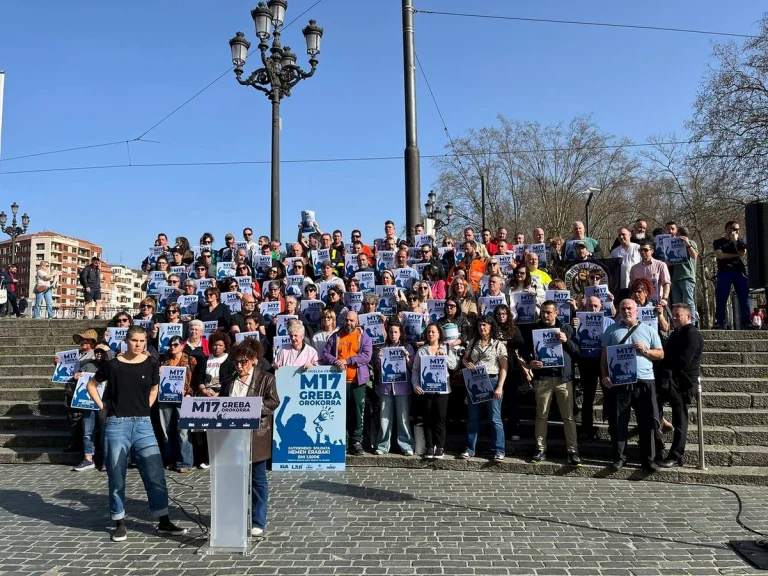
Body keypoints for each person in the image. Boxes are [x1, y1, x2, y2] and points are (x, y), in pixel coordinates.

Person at [86, 325, 187, 542]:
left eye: (142, 341)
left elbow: (154, 389)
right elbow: (92, 385)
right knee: (116, 474)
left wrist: (145, 408)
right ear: (127, 341)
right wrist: (102, 408)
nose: (139, 345)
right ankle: (119, 521)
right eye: (135, 341)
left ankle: (163, 520)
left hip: (143, 424)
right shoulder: (112, 365)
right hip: (116, 424)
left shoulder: (151, 362)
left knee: (155, 473)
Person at [218, 338, 280, 538]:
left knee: (258, 479)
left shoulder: (266, 378)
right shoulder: (230, 378)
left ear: (253, 360)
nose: (239, 366)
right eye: (236, 362)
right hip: (231, 436)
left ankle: (258, 521)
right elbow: (223, 401)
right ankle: (233, 517)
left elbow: (273, 402)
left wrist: (252, 409)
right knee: (234, 479)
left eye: (243, 362)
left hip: (256, 435)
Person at [601, 299, 664, 472]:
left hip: (644, 381)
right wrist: (605, 375)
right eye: (623, 308)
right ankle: (619, 458)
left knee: (647, 421)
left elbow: (660, 354)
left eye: (629, 308)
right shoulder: (611, 330)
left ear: (636, 310)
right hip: (620, 382)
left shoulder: (649, 330)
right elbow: (604, 356)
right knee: (618, 421)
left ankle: (648, 459)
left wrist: (645, 350)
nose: (626, 311)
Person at [526, 301, 581, 465]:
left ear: (556, 312)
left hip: (563, 379)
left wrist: (566, 341)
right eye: (543, 312)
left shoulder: (566, 328)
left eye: (549, 312)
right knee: (541, 415)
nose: (545, 315)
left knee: (568, 417)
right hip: (542, 378)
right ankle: (540, 449)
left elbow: (577, 351)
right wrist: (530, 361)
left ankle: (573, 451)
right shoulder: (534, 329)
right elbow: (525, 350)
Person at [656, 304, 703, 468]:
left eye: (678, 315)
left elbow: (684, 360)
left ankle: (676, 455)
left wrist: (667, 366)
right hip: (671, 380)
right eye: (673, 315)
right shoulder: (677, 333)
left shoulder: (692, 334)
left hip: (683, 382)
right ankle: (658, 446)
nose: (674, 318)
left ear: (688, 317)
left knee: (680, 420)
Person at [321, 311, 373, 456]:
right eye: (346, 320)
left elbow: (366, 356)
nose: (348, 323)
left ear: (357, 321)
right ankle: (342, 440)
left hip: (357, 382)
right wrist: (335, 361)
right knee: (340, 413)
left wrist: (348, 361)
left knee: (357, 413)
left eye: (351, 320)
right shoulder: (336, 336)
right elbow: (325, 353)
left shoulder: (363, 337)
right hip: (339, 382)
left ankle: (356, 441)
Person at [459, 316, 508, 462]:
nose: (482, 328)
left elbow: (504, 367)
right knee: (473, 418)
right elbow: (465, 358)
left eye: (485, 325)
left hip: (492, 381)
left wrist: (500, 386)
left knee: (495, 418)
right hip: (475, 381)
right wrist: (467, 363)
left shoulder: (498, 344)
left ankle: (499, 449)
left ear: (491, 326)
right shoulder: (473, 342)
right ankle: (469, 448)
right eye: (480, 325)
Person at [57, 328, 107, 471]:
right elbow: (65, 371)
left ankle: (105, 458)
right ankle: (88, 458)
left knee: (103, 429)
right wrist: (58, 363)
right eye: (82, 340)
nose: (84, 342)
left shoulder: (99, 354)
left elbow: (107, 363)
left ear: (93, 343)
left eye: (87, 340)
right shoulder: (75, 355)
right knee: (87, 429)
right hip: (81, 397)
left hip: (99, 396)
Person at [411, 323, 458, 459]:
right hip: (427, 390)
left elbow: (454, 365)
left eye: (433, 332)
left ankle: (440, 447)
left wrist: (444, 356)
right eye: (428, 332)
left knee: (440, 419)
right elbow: (415, 370)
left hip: (443, 391)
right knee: (428, 418)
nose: (430, 334)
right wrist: (415, 385)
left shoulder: (447, 348)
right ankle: (430, 446)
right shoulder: (422, 350)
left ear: (439, 334)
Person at [573, 296, 615, 441]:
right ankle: (586, 430)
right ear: (586, 307)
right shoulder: (578, 321)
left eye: (596, 305)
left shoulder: (610, 322)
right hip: (586, 361)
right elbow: (573, 341)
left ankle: (612, 429)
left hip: (604, 362)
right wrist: (574, 328)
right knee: (588, 397)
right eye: (590, 306)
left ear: (601, 306)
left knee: (609, 396)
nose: (593, 308)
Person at [375, 322, 415, 456]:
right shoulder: (383, 348)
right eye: (391, 332)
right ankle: (382, 445)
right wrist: (380, 359)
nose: (393, 335)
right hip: (386, 388)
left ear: (401, 333)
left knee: (403, 418)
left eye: (396, 332)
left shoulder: (407, 347)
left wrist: (407, 358)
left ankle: (406, 445)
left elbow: (412, 368)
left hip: (402, 388)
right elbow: (379, 370)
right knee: (384, 418)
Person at [158, 335, 197, 473]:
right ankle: (170, 460)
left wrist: (189, 392)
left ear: (182, 346)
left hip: (183, 398)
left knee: (183, 432)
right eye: (171, 345)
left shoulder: (191, 360)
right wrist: (159, 372)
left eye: (175, 345)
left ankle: (185, 462)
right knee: (166, 430)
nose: (172, 347)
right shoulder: (163, 360)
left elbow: (194, 380)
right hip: (165, 398)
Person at [713, 220, 749, 329]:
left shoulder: (740, 241)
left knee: (744, 297)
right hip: (724, 271)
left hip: (739, 271)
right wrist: (735, 254)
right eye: (732, 229)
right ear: (726, 229)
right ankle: (720, 322)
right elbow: (720, 256)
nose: (734, 231)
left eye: (737, 229)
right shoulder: (718, 242)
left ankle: (746, 323)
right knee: (722, 297)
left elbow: (742, 253)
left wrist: (735, 241)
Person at [667, 224, 699, 323]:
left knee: (688, 301)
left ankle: (692, 322)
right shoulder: (675, 245)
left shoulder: (691, 243)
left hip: (687, 276)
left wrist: (688, 244)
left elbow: (694, 256)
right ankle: (679, 321)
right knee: (677, 302)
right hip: (676, 277)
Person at [630, 239, 671, 306]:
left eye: (646, 250)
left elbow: (666, 283)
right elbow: (632, 286)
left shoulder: (661, 265)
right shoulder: (634, 268)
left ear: (652, 251)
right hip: (639, 303)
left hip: (657, 303)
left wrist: (665, 298)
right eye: (641, 250)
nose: (643, 252)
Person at [610, 227, 641, 302]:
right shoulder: (614, 252)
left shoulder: (638, 248)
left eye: (623, 234)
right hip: (621, 286)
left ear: (630, 234)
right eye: (619, 235)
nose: (621, 237)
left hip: (636, 286)